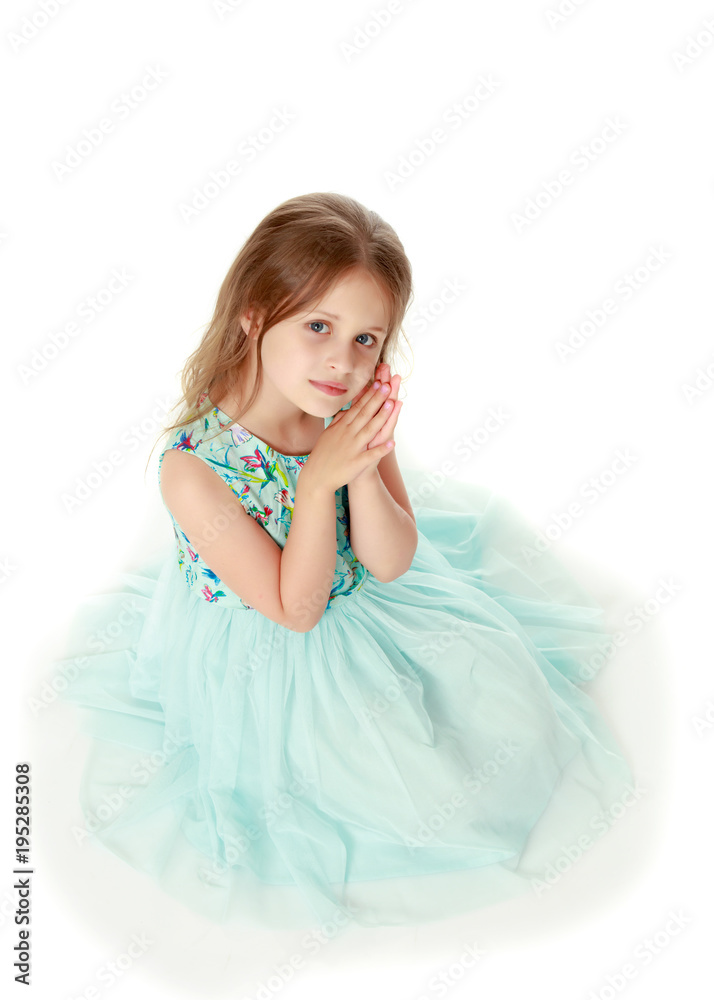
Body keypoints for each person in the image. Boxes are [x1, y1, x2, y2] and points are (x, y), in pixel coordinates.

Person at [53, 191, 636, 931]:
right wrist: (317, 481)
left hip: (365, 598)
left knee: (496, 713)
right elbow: (296, 611)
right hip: (273, 640)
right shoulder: (193, 468)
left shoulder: (342, 406)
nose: (342, 361)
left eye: (367, 339)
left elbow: (390, 561)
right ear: (253, 316)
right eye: (318, 326)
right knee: (397, 790)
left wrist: (358, 462)